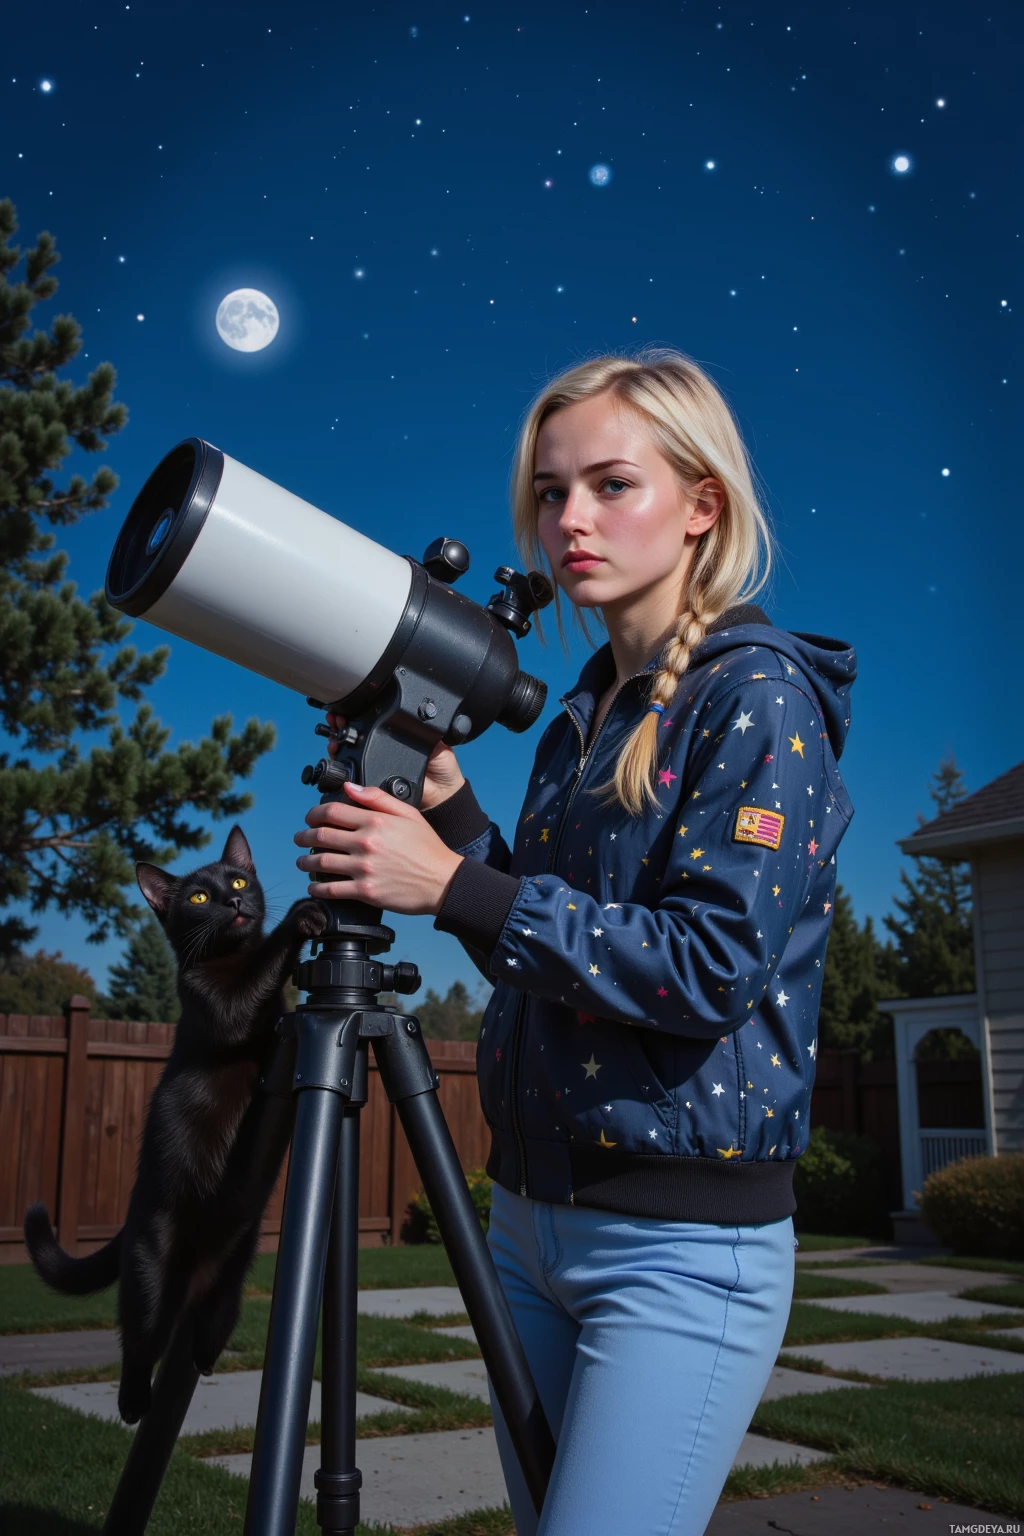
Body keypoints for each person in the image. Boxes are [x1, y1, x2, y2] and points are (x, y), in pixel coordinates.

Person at [293, 346, 857, 1536]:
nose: (569, 521)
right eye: (551, 493)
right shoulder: (582, 718)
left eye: (611, 485)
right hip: (527, 1226)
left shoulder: (757, 699)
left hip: (679, 1251)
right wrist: (447, 811)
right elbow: (540, 952)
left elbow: (705, 967)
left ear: (702, 506)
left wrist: (450, 884)